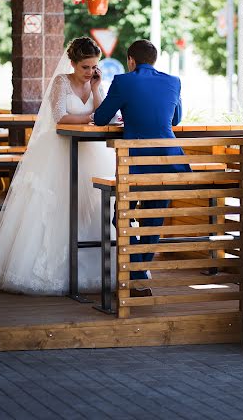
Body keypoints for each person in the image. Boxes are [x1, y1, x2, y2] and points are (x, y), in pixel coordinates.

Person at [0, 37, 115, 295]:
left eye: (94, 67)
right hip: (59, 150)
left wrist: (97, 89)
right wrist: (90, 118)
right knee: (54, 206)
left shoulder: (96, 83)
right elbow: (60, 117)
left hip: (90, 151)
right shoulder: (61, 82)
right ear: (73, 63)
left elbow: (103, 114)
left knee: (93, 205)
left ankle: (97, 271)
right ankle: (51, 273)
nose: (90, 72)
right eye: (85, 67)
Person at [94, 39, 191, 297]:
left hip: (135, 163)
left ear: (131, 60)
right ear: (154, 60)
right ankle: (140, 271)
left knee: (120, 217)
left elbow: (101, 118)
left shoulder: (123, 81)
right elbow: (176, 119)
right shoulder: (173, 81)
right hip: (168, 162)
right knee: (153, 220)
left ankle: (136, 272)